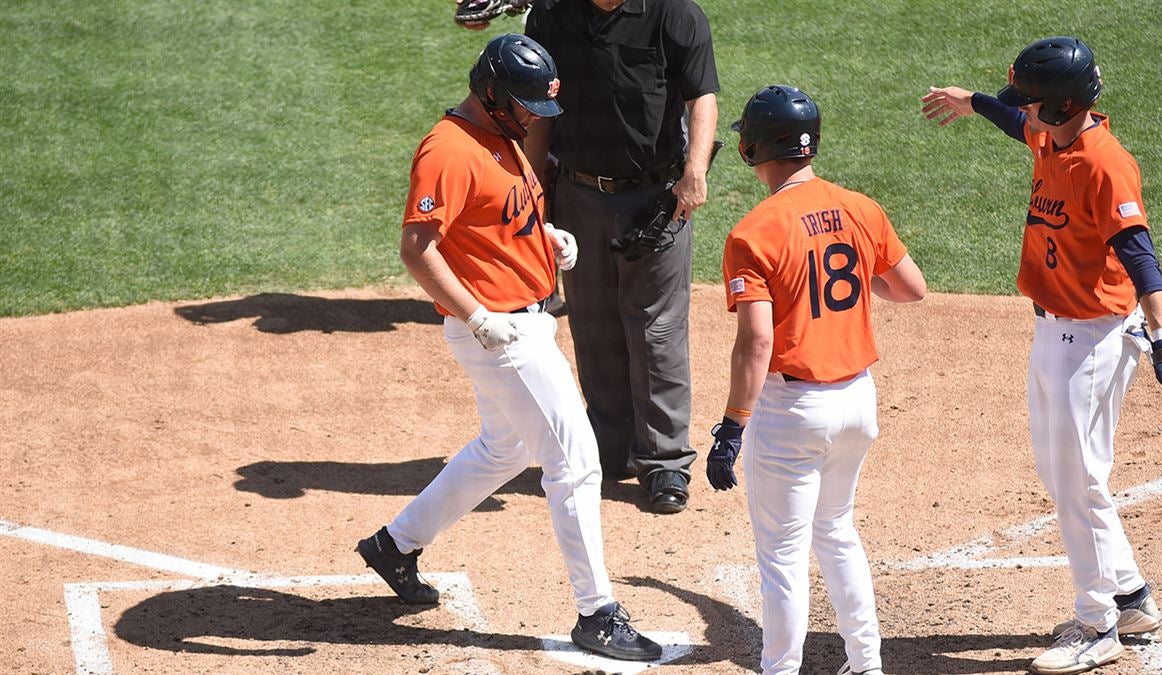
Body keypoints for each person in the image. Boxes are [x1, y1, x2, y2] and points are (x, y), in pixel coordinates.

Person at [355, 33, 661, 662]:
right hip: (501, 333)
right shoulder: (447, 149)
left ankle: (395, 544)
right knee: (575, 461)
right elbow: (418, 249)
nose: (532, 118)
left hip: (528, 317)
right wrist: (474, 316)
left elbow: (494, 220)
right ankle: (597, 612)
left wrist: (546, 239)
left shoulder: (500, 138)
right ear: (492, 94)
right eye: (524, 106)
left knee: (506, 447)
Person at [921, 36, 1162, 674]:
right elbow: (1020, 124)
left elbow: (1141, 258)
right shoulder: (1056, 133)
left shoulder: (1105, 164)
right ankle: (1131, 597)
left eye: (1034, 100)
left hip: (1095, 339)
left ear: (1065, 103)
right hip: (1054, 332)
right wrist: (973, 102)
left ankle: (1097, 625)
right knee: (1065, 476)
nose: (1027, 110)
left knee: (1078, 480)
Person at [707, 84, 927, 675]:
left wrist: (732, 427)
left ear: (755, 146)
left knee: (781, 554)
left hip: (791, 411)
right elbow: (911, 287)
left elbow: (757, 342)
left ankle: (780, 670)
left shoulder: (753, 232)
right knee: (835, 530)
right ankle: (866, 663)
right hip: (857, 402)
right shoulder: (860, 207)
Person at [518, 0, 722, 514]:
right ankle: (608, 448)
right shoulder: (552, 15)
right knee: (592, 320)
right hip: (578, 194)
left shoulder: (675, 14)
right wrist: (533, 182)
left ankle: (664, 463)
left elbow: (702, 96)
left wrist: (695, 170)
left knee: (655, 331)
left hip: (654, 197)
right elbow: (541, 107)